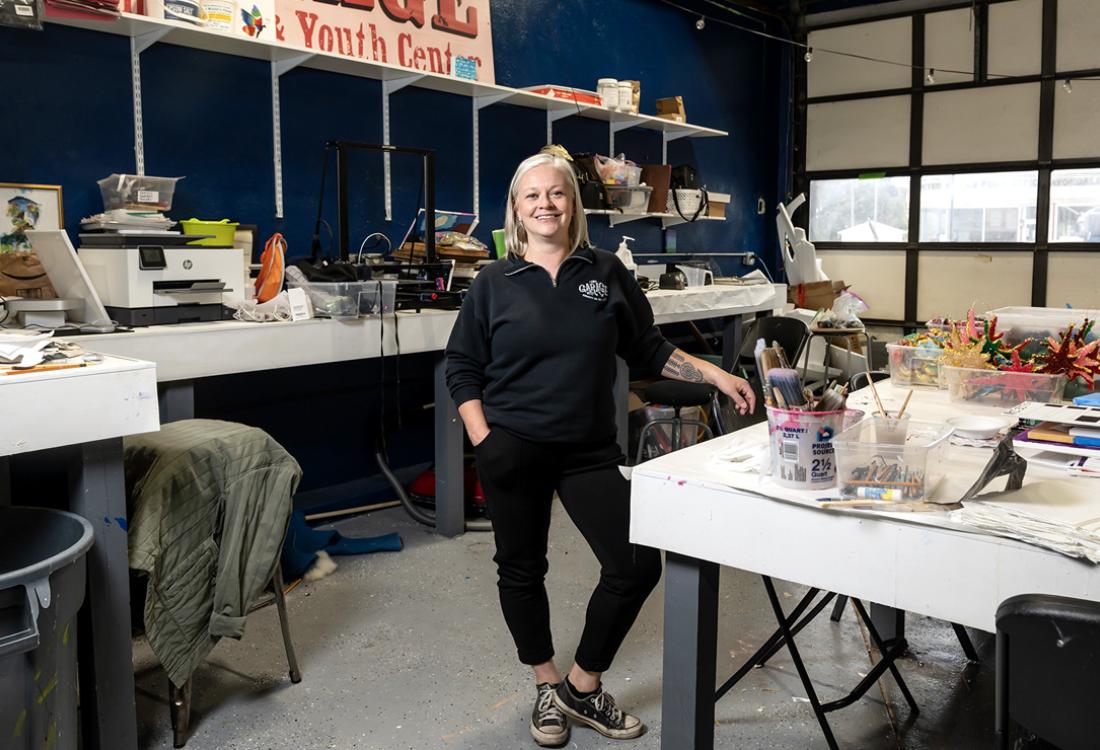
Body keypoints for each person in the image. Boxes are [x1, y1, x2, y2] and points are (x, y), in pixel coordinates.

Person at [444, 152, 755, 747]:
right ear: (516, 209)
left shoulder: (606, 271)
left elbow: (649, 349)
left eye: (556, 193)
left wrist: (716, 374)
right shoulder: (492, 282)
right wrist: (485, 440)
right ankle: (545, 683)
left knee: (635, 565)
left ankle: (581, 687)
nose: (545, 204)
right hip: (513, 447)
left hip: (587, 449)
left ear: (573, 203)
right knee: (521, 568)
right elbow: (461, 366)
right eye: (532, 195)